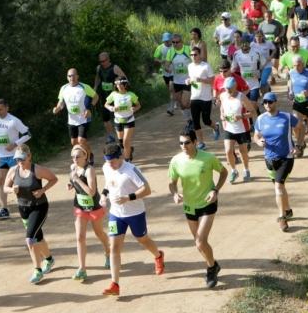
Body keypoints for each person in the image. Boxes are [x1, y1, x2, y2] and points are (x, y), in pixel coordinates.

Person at [100, 143, 165, 296]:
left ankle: (158, 255)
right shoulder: (106, 167)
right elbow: (108, 184)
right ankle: (114, 284)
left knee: (142, 239)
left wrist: (128, 198)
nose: (111, 165)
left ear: (120, 156)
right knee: (114, 246)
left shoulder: (131, 170)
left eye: (113, 161)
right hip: (116, 214)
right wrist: (103, 196)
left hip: (135, 213)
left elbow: (146, 189)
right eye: (108, 162)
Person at [168, 128, 228, 288]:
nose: (183, 146)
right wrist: (175, 194)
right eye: (180, 143)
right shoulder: (176, 161)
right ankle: (214, 264)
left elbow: (223, 172)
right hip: (189, 205)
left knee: (201, 241)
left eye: (187, 142)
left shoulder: (207, 158)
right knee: (198, 243)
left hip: (208, 203)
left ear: (195, 142)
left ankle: (210, 270)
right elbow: (172, 183)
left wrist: (215, 190)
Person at [3, 144, 58, 283]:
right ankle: (50, 260)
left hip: (39, 207)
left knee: (30, 238)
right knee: (37, 236)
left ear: (29, 156)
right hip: (23, 208)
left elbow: (53, 178)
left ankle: (37, 270)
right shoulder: (13, 170)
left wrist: (42, 190)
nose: (20, 162)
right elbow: (5, 187)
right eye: (17, 159)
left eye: (22, 159)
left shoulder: (37, 170)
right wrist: (11, 190)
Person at [253, 92, 299, 232]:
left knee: (278, 187)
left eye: (270, 102)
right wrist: (258, 141)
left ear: (275, 102)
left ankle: (282, 218)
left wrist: (299, 145)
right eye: (265, 102)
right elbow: (256, 135)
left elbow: (300, 127)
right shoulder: (260, 119)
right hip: (269, 158)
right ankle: (288, 209)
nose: (267, 105)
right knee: (280, 186)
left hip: (286, 157)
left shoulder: (286, 117)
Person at [66, 144, 110, 282]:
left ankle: (108, 252)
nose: (75, 159)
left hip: (94, 207)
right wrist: (72, 184)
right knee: (80, 237)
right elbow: (74, 182)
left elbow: (91, 192)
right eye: (73, 157)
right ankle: (82, 268)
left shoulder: (89, 170)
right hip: (79, 207)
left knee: (99, 233)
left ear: (85, 156)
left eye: (78, 156)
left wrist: (77, 179)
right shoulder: (73, 168)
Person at [0, 98, 31, 220]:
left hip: (14, 156)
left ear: (7, 108)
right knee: (1, 181)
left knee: (17, 181)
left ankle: (25, 205)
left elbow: (28, 134)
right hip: (0, 156)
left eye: (1, 109)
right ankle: (4, 209)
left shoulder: (14, 120)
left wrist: (15, 144)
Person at [219, 77, 256, 183]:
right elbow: (222, 109)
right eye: (226, 88)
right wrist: (222, 115)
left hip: (242, 129)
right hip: (229, 128)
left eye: (230, 88)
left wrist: (241, 116)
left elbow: (253, 112)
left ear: (235, 86)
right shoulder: (222, 96)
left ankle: (246, 170)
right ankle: (234, 171)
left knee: (243, 152)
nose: (228, 90)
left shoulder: (242, 97)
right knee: (228, 151)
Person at [52, 68, 98, 147]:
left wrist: (89, 109)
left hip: (83, 119)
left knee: (81, 141)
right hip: (72, 120)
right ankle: (88, 155)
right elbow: (61, 103)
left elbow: (96, 97)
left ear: (77, 76)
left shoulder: (84, 87)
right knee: (74, 143)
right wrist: (57, 108)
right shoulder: (63, 88)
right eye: (69, 76)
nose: (71, 78)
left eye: (73, 75)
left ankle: (88, 158)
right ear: (67, 77)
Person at [187, 47, 218, 149]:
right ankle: (201, 143)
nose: (193, 57)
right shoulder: (190, 66)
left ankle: (216, 127)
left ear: (200, 55)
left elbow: (212, 80)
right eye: (191, 55)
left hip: (205, 98)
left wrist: (201, 80)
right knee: (196, 121)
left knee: (206, 120)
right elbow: (191, 78)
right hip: (194, 97)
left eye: (195, 55)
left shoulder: (206, 66)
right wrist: (187, 81)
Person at [104, 77, 140, 161]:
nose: (119, 86)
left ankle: (127, 161)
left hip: (129, 120)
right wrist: (111, 108)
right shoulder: (113, 94)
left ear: (125, 84)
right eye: (117, 84)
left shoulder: (131, 94)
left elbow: (138, 105)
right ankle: (129, 150)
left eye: (120, 84)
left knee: (125, 141)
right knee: (121, 144)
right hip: (118, 121)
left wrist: (134, 108)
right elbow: (106, 104)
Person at [94, 52, 126, 143]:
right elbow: (97, 78)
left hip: (116, 96)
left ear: (108, 59)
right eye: (100, 61)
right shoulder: (99, 68)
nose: (102, 63)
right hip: (104, 96)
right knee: (105, 117)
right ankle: (111, 136)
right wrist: (95, 88)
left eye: (103, 61)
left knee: (118, 116)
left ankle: (122, 134)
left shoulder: (115, 68)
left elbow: (124, 78)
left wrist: (118, 83)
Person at [165, 34, 193, 127]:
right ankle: (188, 120)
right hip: (176, 81)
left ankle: (191, 119)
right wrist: (167, 68)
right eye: (173, 42)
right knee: (181, 103)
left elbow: (195, 60)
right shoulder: (170, 51)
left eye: (177, 42)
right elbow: (166, 64)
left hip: (187, 80)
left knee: (185, 102)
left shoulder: (188, 49)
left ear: (181, 42)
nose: (175, 44)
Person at [153, 32, 176, 116]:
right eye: (165, 41)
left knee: (171, 88)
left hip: (174, 71)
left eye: (168, 40)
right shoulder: (160, 48)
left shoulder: (174, 46)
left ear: (171, 39)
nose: (166, 42)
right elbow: (155, 58)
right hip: (165, 72)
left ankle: (171, 107)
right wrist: (160, 61)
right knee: (169, 89)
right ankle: (175, 99)